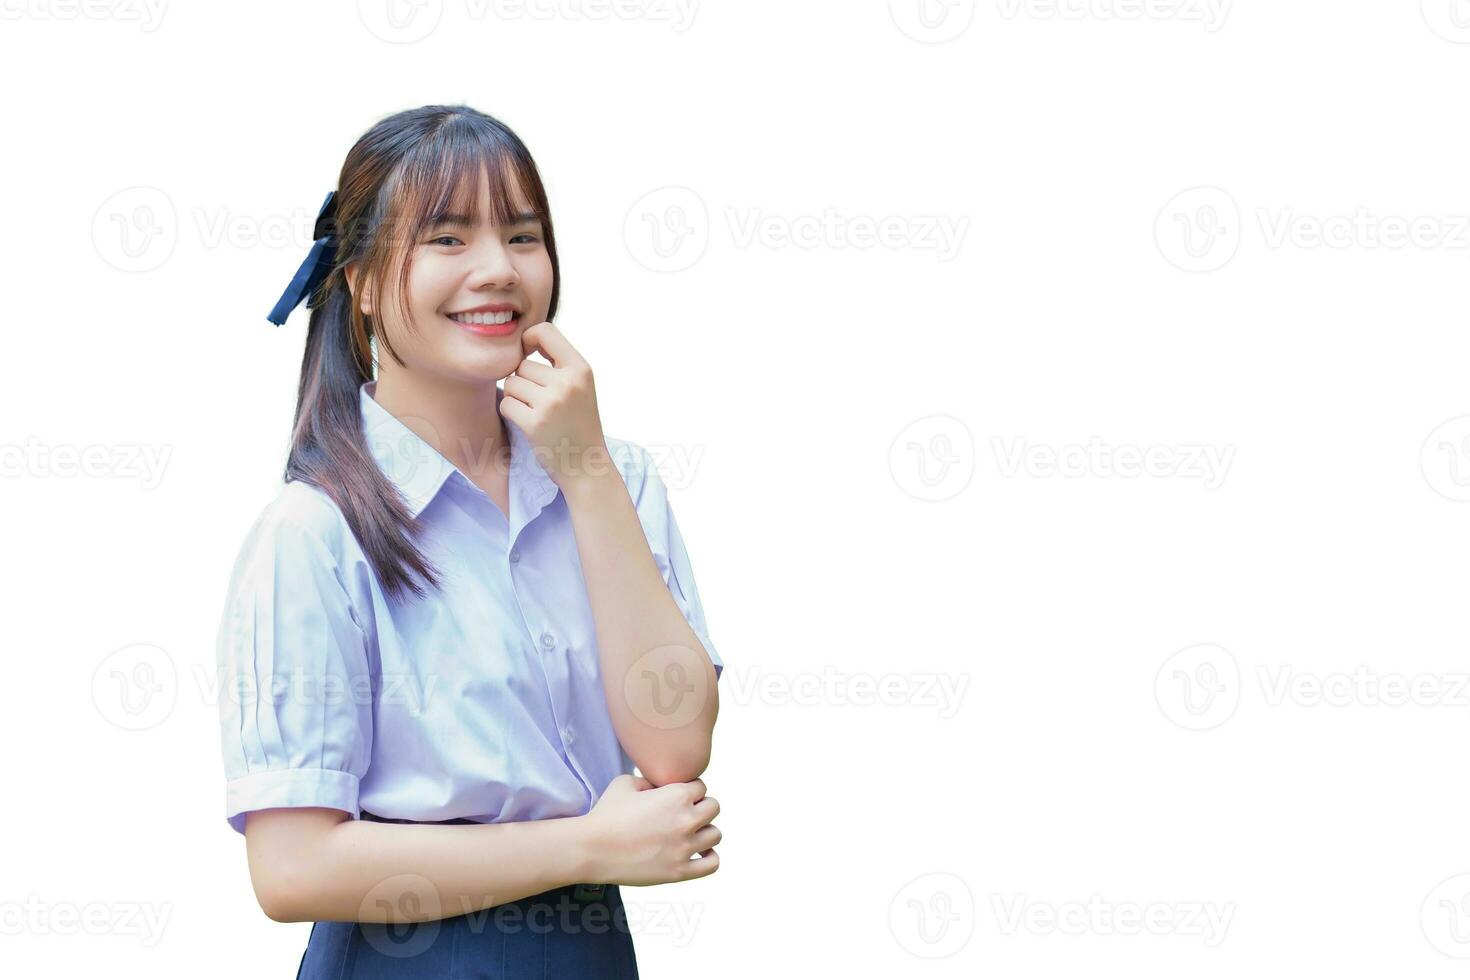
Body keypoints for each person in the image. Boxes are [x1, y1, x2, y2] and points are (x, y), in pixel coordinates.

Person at [216, 104, 724, 978]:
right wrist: (588, 848)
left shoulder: (616, 477)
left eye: (523, 236)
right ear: (363, 282)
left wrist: (587, 472)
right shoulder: (314, 534)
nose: (498, 269)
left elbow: (673, 753)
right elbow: (291, 869)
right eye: (448, 240)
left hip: (589, 952)